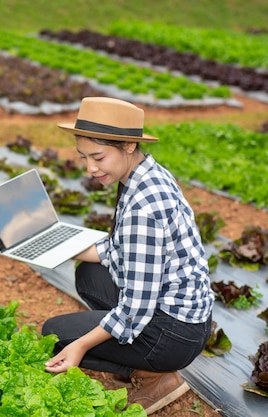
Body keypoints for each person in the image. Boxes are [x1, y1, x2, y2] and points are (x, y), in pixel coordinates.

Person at [42, 97, 214, 415]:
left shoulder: (143, 207)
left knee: (54, 337)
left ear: (129, 145)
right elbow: (122, 249)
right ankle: (142, 363)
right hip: (183, 317)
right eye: (84, 158)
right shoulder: (145, 176)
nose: (91, 168)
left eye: (99, 157)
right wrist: (58, 246)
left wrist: (79, 346)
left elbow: (134, 310)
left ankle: (153, 376)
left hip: (174, 334)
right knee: (88, 273)